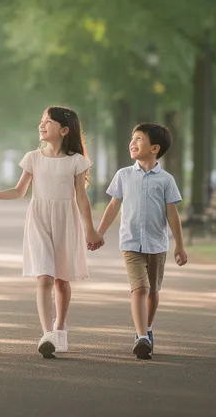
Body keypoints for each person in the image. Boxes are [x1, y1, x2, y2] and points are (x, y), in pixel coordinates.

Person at [0, 107, 102, 358]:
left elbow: (81, 198)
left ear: (64, 130)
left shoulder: (76, 161)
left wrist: (90, 229)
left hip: (66, 221)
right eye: (41, 121)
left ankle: (60, 328)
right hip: (39, 219)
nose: (42, 125)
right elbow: (19, 192)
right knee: (44, 276)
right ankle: (47, 334)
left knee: (61, 279)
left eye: (48, 121)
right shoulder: (33, 158)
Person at [92, 122, 187, 360]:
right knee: (140, 288)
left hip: (157, 244)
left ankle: (148, 327)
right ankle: (141, 335)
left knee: (153, 291)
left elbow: (172, 214)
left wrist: (180, 245)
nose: (132, 143)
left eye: (139, 139)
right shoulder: (123, 175)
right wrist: (99, 232)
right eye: (132, 139)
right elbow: (114, 206)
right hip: (131, 243)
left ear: (155, 148)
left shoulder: (166, 180)